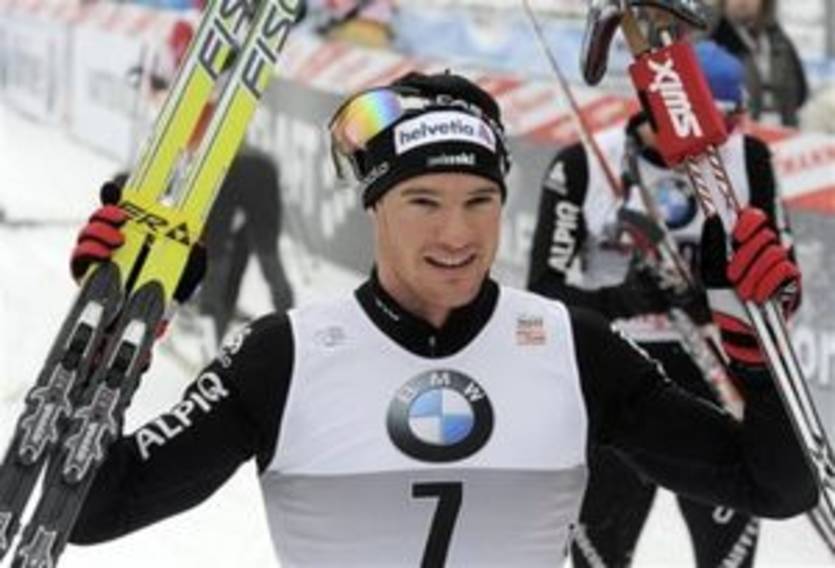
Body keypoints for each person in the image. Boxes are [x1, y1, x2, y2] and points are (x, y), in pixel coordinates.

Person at [66, 71, 816, 566]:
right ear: (373, 208)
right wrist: (112, 337)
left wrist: (755, 355)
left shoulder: (572, 347)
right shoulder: (284, 355)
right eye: (422, 202)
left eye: (479, 202)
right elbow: (94, 511)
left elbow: (774, 486)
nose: (456, 235)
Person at [528, 42, 798, 567]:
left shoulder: (748, 161)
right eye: (713, 123)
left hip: (714, 377)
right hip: (615, 378)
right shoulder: (584, 164)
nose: (720, 139)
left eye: (732, 122)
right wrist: (615, 299)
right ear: (665, 110)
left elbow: (784, 286)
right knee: (599, 553)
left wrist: (722, 298)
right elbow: (542, 296)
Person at [710, 0, 808, 127]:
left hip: (782, 130)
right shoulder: (711, 42)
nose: (743, 2)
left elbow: (800, 93)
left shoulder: (780, 41)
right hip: (737, 132)